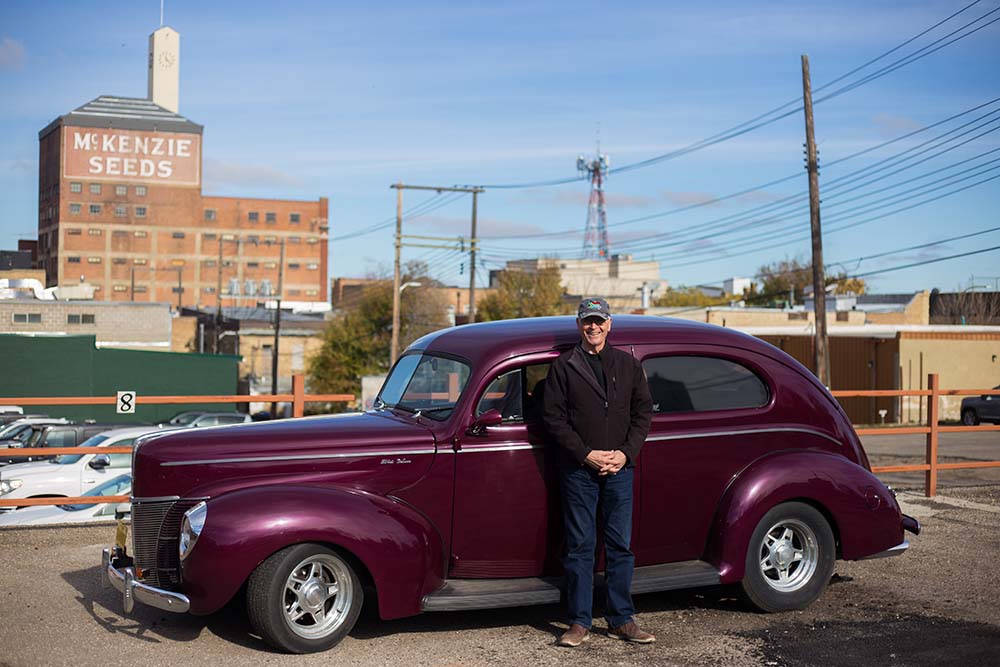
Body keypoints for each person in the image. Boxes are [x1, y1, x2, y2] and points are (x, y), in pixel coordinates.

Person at [543, 297, 654, 647]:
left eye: (599, 321)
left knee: (620, 546)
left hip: (620, 470)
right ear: (579, 325)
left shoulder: (628, 364)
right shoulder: (564, 367)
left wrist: (624, 453)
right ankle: (579, 621)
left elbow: (643, 413)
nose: (593, 327)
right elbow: (554, 419)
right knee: (580, 547)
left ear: (610, 324)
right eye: (587, 321)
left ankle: (622, 618)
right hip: (578, 471)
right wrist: (586, 454)